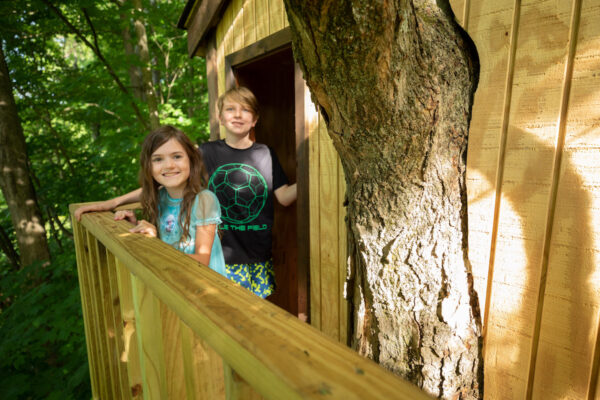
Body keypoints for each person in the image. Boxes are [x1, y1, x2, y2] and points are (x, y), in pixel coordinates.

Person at [75, 87, 296, 298]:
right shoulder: (207, 152)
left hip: (256, 251)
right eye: (230, 109)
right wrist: (112, 202)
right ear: (220, 117)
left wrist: (313, 175)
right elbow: (167, 180)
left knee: (257, 316)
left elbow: (284, 197)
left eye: (246, 110)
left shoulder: (266, 153)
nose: (238, 115)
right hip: (223, 252)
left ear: (255, 119)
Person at [109, 125, 227, 277]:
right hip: (176, 283)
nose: (169, 165)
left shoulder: (204, 200)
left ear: (191, 160)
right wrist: (134, 226)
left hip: (206, 287)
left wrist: (155, 245)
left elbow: (202, 261)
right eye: (158, 159)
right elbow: (168, 242)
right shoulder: (160, 197)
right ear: (149, 167)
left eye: (177, 156)